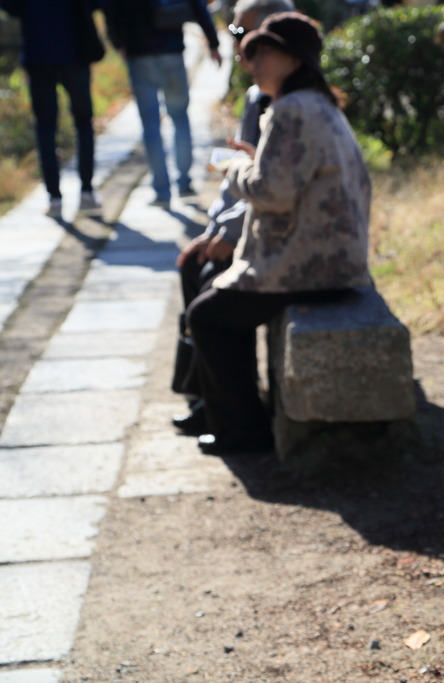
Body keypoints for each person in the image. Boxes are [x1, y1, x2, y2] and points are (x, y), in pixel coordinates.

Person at [184, 11, 373, 455]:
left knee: (206, 316)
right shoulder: (319, 104)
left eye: (263, 54)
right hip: (333, 258)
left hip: (306, 265)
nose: (254, 65)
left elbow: (273, 192)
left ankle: (242, 431)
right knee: (213, 295)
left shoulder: (291, 109)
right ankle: (236, 416)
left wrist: (236, 168)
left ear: (292, 59)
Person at [170, 0, 295, 434]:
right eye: (237, 36)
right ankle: (208, 396)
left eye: (248, 39)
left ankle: (235, 416)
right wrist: (213, 229)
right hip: (253, 226)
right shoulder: (257, 96)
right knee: (193, 267)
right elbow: (236, 175)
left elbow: (273, 185)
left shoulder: (290, 104)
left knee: (211, 287)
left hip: (273, 235)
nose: (240, 49)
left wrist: (228, 235)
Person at [104, 0, 222, 208]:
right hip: (172, 52)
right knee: (180, 118)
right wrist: (213, 42)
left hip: (139, 55)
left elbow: (111, 11)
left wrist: (119, 43)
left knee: (151, 126)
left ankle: (162, 191)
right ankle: (184, 183)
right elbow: (198, 6)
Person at [0, 0, 107, 219]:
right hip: (75, 52)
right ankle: (86, 191)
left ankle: (54, 198)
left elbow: (11, 7)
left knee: (46, 127)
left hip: (39, 55)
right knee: (83, 122)